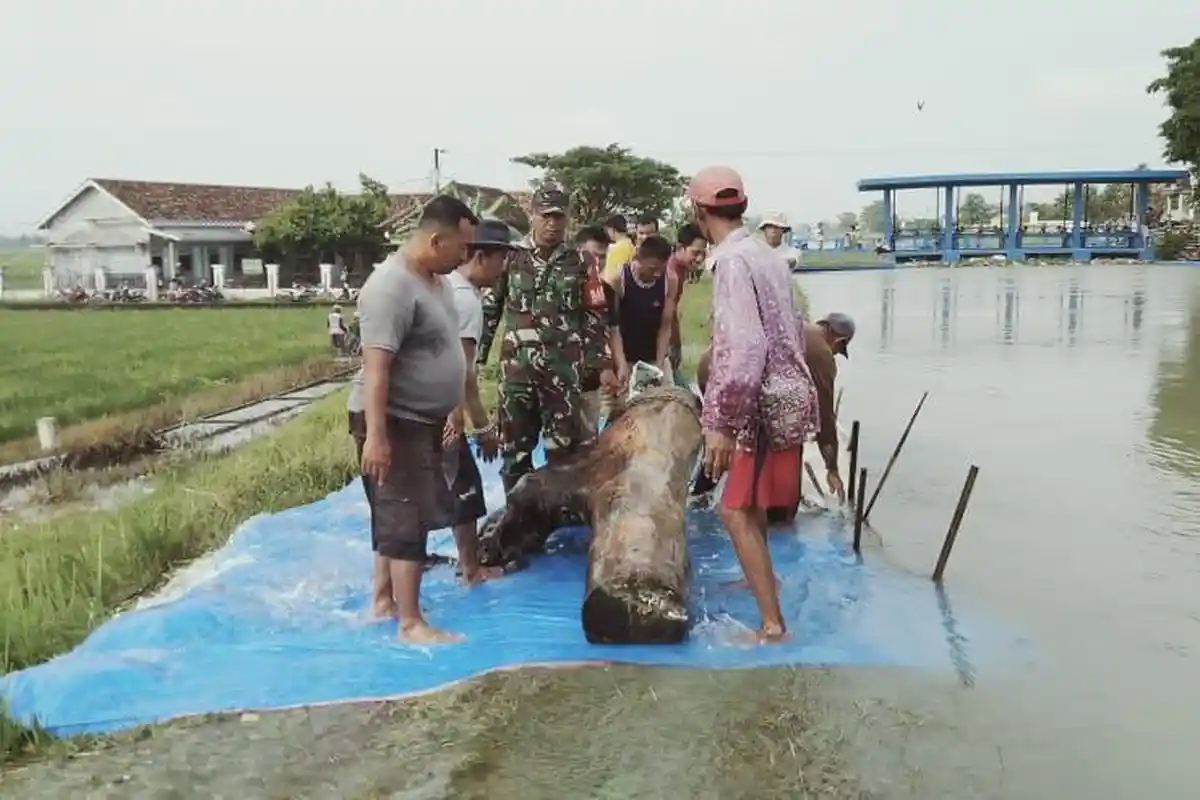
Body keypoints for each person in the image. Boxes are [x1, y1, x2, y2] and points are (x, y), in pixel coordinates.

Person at [689, 165, 819, 643]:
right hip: (783, 390)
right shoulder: (766, 255)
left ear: (699, 211)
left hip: (760, 399)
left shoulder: (733, 262)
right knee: (753, 500)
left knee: (734, 510)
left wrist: (720, 421)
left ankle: (771, 625)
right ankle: (758, 576)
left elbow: (745, 350)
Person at [348, 194, 479, 644]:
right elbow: (377, 369)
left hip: (422, 420)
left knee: (406, 512)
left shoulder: (436, 282)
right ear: (436, 238)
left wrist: (447, 410)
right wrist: (376, 437)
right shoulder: (391, 286)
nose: (466, 256)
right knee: (405, 516)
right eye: (460, 247)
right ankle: (410, 622)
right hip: (394, 419)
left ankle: (385, 600)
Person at [478, 185, 603, 495]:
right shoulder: (511, 257)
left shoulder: (582, 261)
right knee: (515, 453)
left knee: (562, 453)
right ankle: (515, 517)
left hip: (562, 376)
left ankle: (555, 517)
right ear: (532, 216)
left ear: (568, 219)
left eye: (559, 216)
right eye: (546, 216)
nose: (553, 223)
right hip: (517, 374)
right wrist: (477, 359)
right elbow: (490, 309)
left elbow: (595, 316)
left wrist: (594, 366)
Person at [443, 220, 520, 584]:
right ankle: (471, 569)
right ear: (481, 256)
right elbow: (462, 372)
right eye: (501, 258)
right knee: (464, 487)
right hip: (443, 409)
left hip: (424, 404)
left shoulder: (447, 288)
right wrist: (477, 424)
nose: (503, 267)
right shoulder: (465, 300)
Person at [575, 225, 625, 438]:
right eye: (593, 256)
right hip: (559, 381)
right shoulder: (560, 288)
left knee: (587, 440)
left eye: (603, 257)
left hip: (591, 380)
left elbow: (613, 330)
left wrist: (620, 363)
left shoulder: (607, 291)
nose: (597, 263)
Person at [802, 312, 855, 503]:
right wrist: (832, 468)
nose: (834, 355)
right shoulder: (822, 354)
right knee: (785, 504)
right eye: (838, 351)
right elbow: (824, 415)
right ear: (839, 340)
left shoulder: (801, 327)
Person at [615, 234, 679, 373]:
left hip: (653, 356)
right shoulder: (620, 278)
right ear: (638, 259)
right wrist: (621, 363)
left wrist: (659, 364)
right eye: (652, 268)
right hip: (625, 357)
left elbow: (665, 326)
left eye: (661, 269)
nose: (657, 274)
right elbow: (613, 327)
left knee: (666, 392)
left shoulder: (671, 279)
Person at [666, 223, 708, 370]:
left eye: (703, 253)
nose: (700, 258)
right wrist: (675, 342)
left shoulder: (682, 268)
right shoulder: (671, 272)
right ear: (680, 248)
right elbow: (667, 313)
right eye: (695, 253)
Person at [602, 214, 636, 286]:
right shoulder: (630, 244)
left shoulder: (618, 248)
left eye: (607, 230)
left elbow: (614, 276)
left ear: (612, 229)